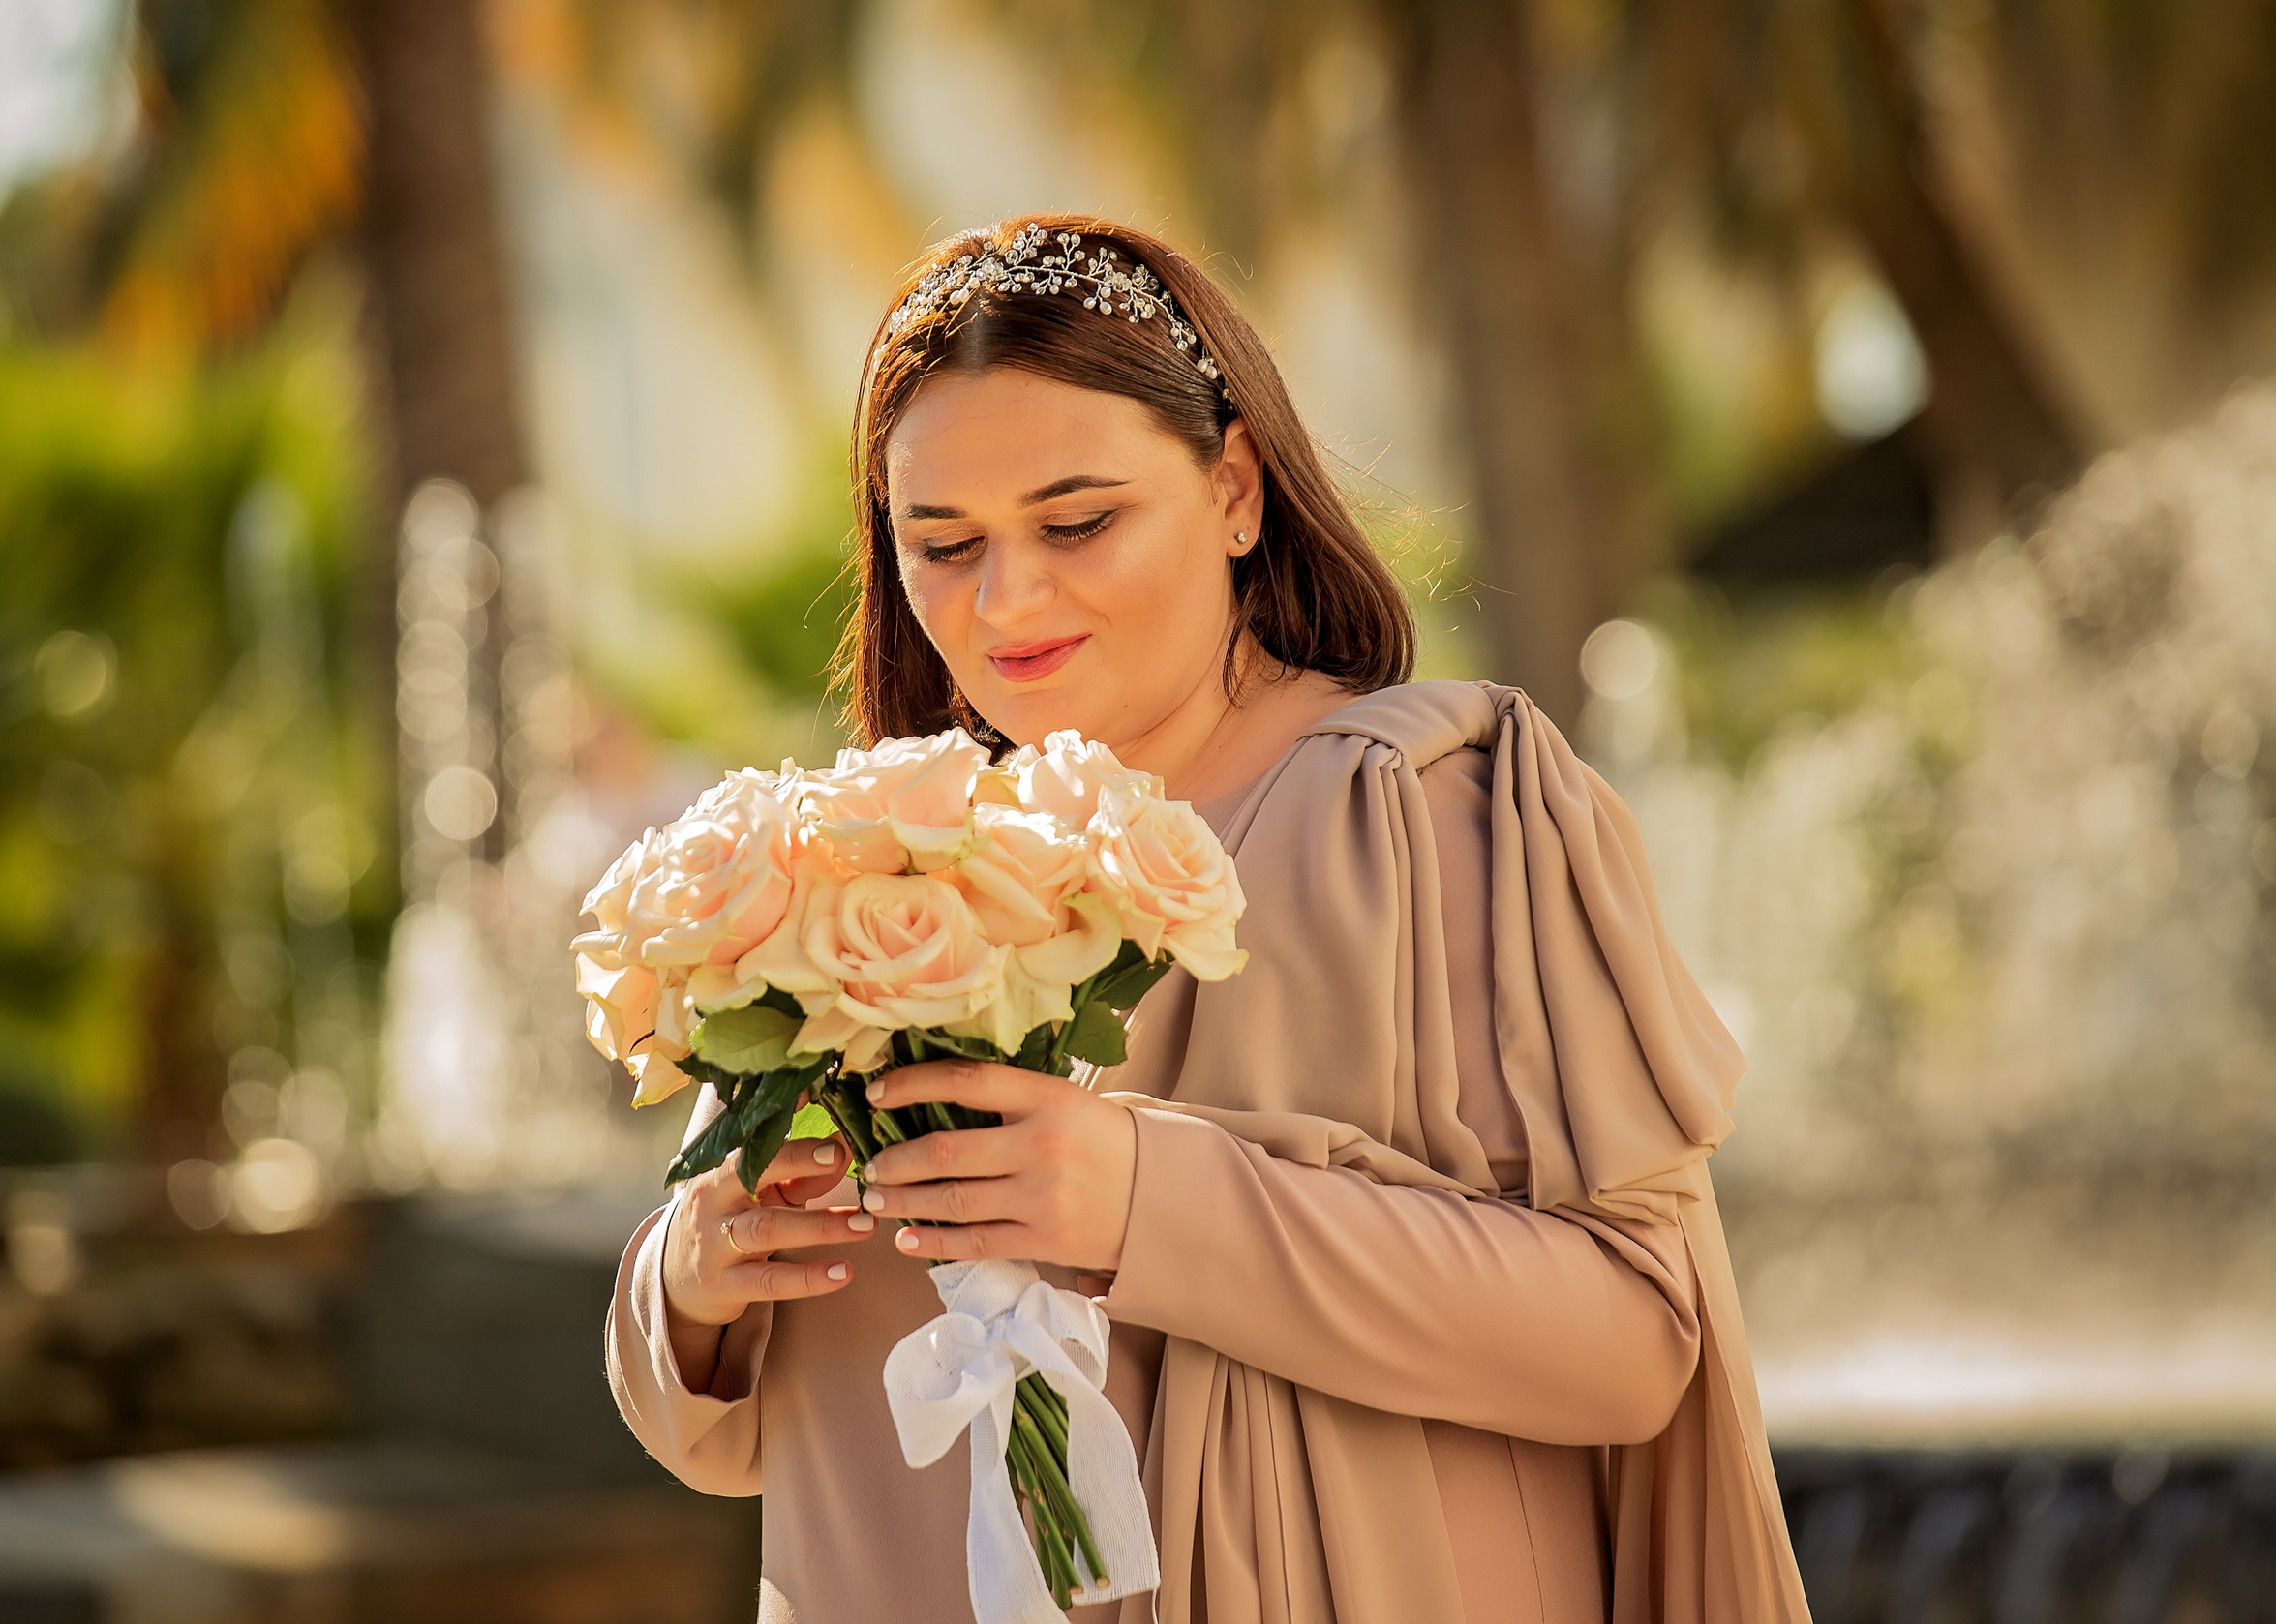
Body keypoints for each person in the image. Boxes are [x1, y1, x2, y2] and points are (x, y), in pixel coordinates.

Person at [606, 215, 1809, 1623]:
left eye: (1077, 523)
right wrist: (691, 1280)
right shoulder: (847, 883)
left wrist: (1146, 1201)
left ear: (1235, 489)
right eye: (941, 544)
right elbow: (722, 1433)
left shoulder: (1428, 813)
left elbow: (1632, 1341)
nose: (1007, 600)